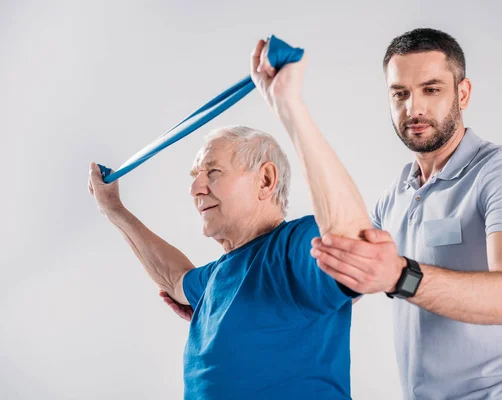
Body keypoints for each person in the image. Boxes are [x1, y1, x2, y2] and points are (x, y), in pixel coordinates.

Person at [88, 38, 375, 398]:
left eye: (213, 172)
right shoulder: (217, 277)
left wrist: (288, 105)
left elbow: (353, 245)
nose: (195, 189)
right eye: (195, 175)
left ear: (265, 180)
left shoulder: (296, 249)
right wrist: (114, 209)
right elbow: (176, 278)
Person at [308, 28, 502, 399]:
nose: (414, 108)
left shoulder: (500, 170)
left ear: (463, 93)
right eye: (400, 94)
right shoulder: (393, 198)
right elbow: (341, 285)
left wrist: (400, 275)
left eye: (431, 89)